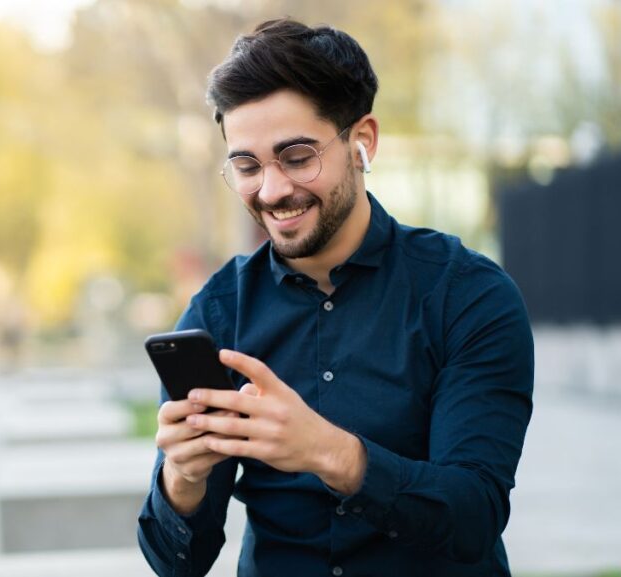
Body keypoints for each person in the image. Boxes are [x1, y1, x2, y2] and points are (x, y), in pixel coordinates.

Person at [137, 18, 533, 577]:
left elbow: (474, 515)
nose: (272, 191)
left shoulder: (468, 297)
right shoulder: (217, 313)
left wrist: (329, 452)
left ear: (362, 142)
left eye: (297, 157)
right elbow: (178, 564)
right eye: (247, 165)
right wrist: (182, 478)